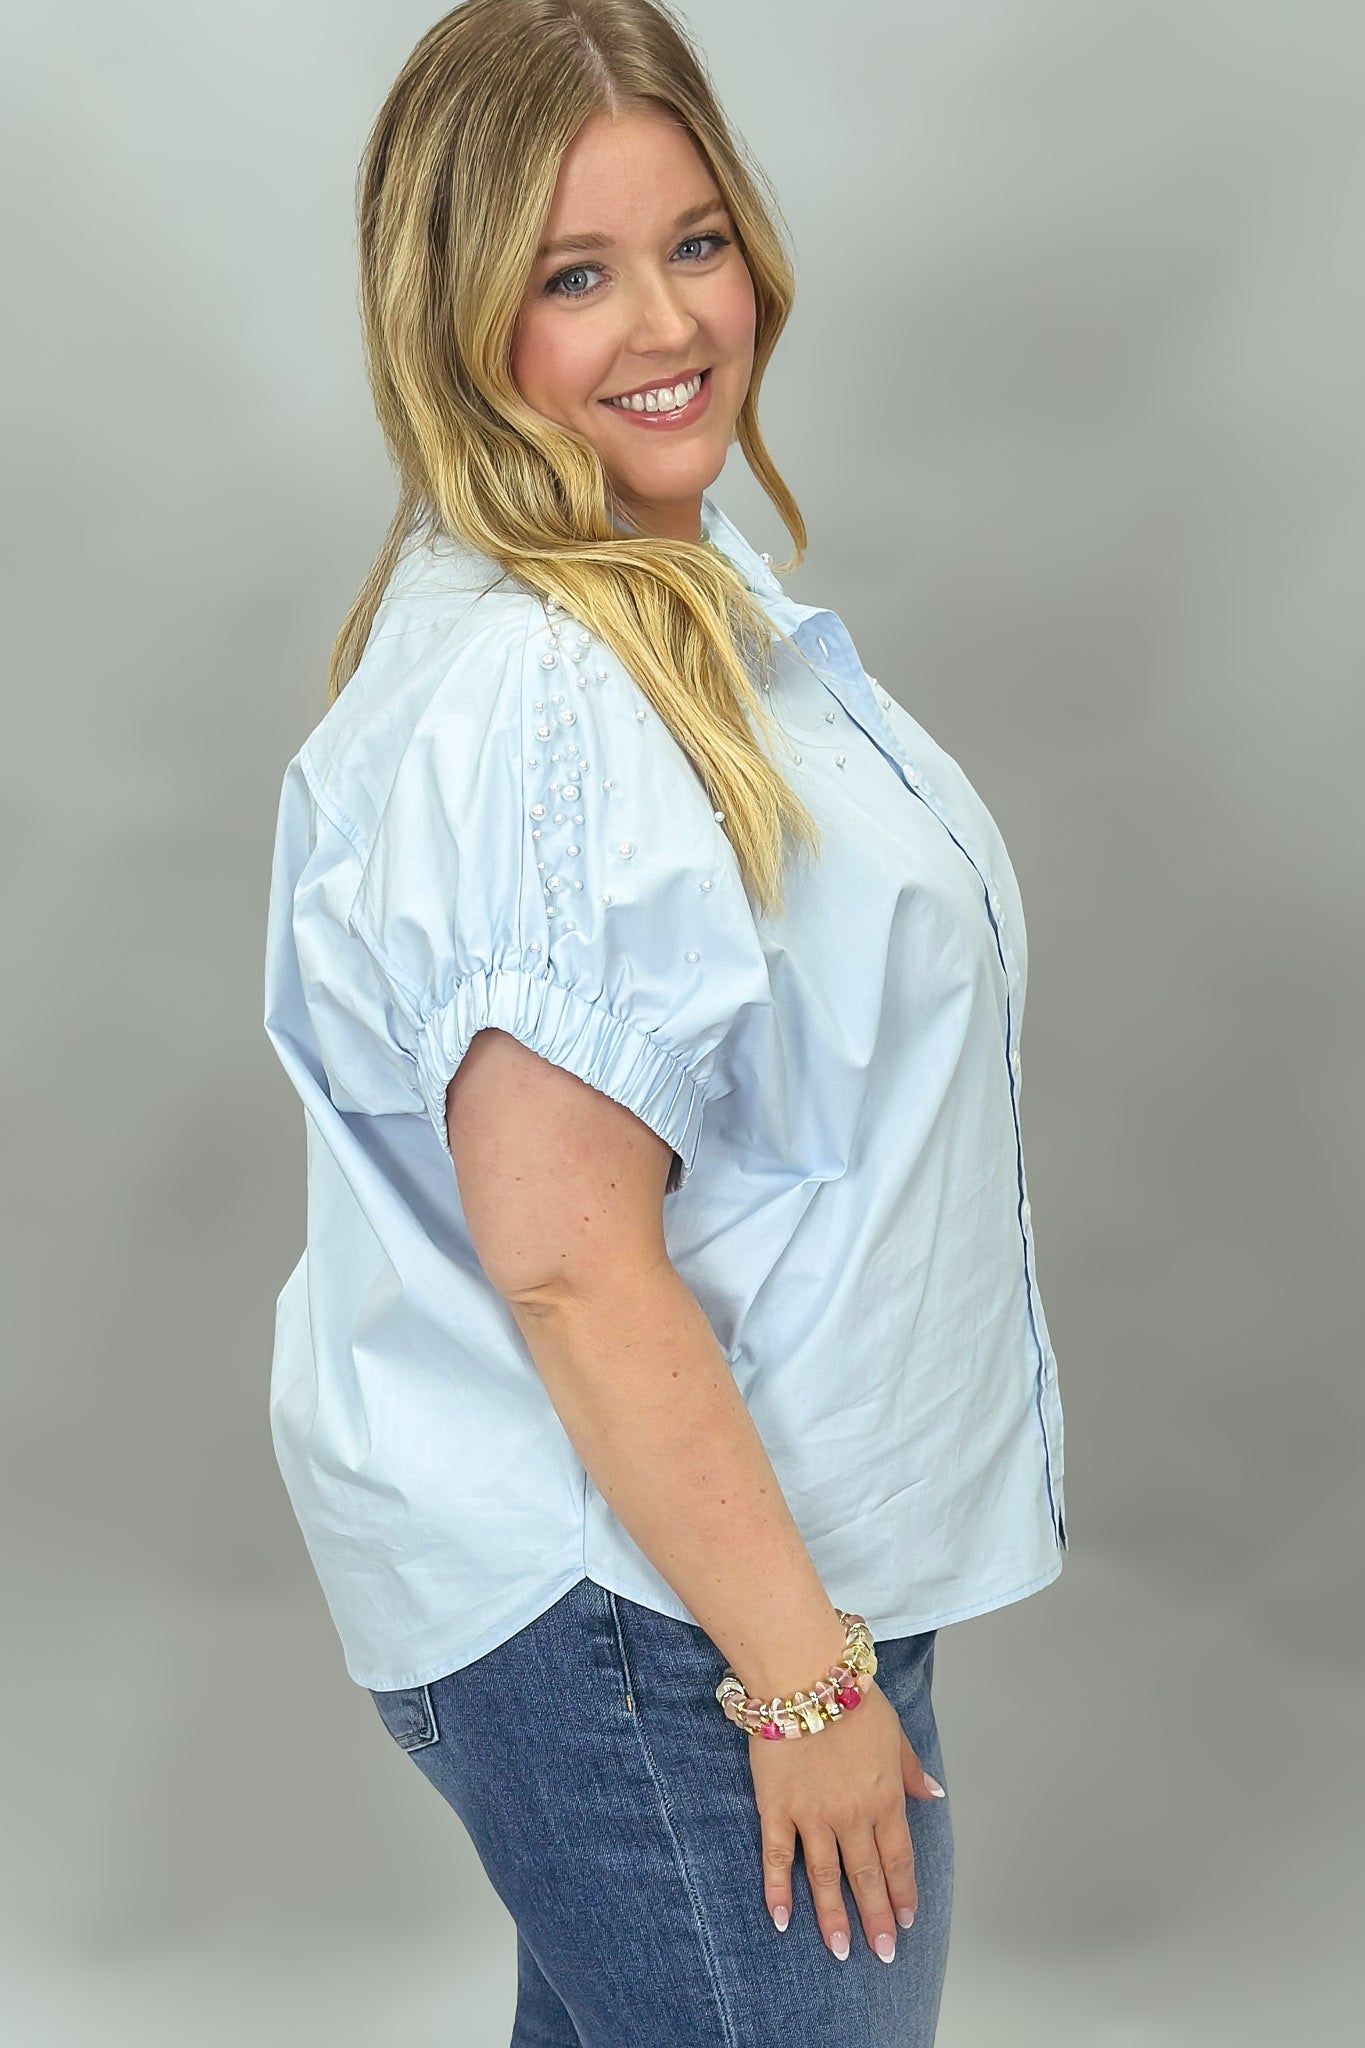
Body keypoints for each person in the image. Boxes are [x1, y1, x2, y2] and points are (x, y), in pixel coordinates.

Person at [261, 2, 1069, 2041]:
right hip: (661, 1623)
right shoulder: (546, 693)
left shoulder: (676, 592)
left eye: (694, 243)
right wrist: (798, 1681)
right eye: (572, 277)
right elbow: (562, 1253)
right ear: (459, 323)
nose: (667, 324)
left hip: (711, 1578)